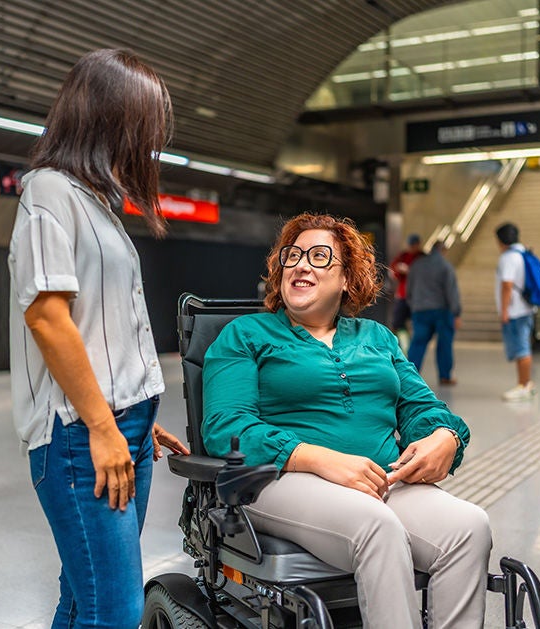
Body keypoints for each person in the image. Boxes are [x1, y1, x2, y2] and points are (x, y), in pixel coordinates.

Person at [202, 213, 491, 629]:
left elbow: (419, 406)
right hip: (279, 481)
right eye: (293, 255)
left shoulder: (376, 337)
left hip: (380, 480)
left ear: (346, 279)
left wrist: (445, 436)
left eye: (319, 256)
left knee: (469, 527)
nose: (300, 264)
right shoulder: (247, 334)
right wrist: (317, 458)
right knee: (376, 526)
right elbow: (226, 426)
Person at [7, 49, 189, 629]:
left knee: (83, 597)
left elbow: (103, 326)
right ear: (109, 118)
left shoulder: (96, 201)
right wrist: (106, 426)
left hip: (121, 428)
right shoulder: (48, 194)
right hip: (81, 438)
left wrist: (136, 412)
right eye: (146, 124)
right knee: (115, 610)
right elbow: (48, 319)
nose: (152, 140)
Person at [406, 240, 462, 385]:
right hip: (441, 311)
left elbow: (409, 289)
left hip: (420, 310)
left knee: (418, 343)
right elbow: (451, 292)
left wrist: (413, 306)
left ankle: (410, 376)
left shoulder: (416, 265)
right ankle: (445, 376)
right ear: (443, 250)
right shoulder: (445, 266)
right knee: (444, 344)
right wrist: (456, 313)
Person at [495, 222, 537, 401]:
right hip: (525, 309)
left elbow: (507, 285)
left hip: (515, 311)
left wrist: (504, 310)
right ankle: (526, 383)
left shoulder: (508, 257)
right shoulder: (523, 253)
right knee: (523, 347)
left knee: (522, 349)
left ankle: (524, 385)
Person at [389, 233, 424, 349]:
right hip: (403, 295)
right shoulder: (403, 256)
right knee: (396, 323)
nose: (412, 248)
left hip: (418, 296)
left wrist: (410, 271)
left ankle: (411, 346)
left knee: (418, 324)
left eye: (414, 245)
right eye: (411, 245)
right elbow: (393, 270)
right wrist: (399, 270)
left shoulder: (422, 257)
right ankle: (398, 346)